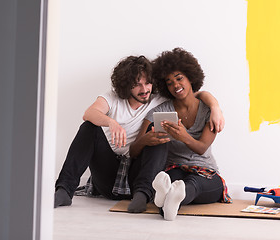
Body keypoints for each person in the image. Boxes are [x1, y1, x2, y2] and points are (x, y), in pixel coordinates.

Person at [54, 55, 225, 213]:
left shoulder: (158, 99)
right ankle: (63, 190)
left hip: (141, 174)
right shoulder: (115, 99)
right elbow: (89, 113)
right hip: (109, 171)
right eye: (137, 84)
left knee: (160, 140)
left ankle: (143, 196)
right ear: (125, 85)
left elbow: (195, 93)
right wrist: (111, 122)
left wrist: (215, 107)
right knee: (89, 127)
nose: (144, 89)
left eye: (148, 83)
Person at [130, 48, 231, 220]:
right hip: (174, 168)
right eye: (169, 82)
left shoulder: (208, 111)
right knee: (169, 182)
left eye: (179, 78)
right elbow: (133, 152)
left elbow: (201, 148)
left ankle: (168, 198)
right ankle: (168, 199)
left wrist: (183, 136)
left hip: (205, 171)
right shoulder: (160, 111)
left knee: (190, 185)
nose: (175, 85)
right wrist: (146, 140)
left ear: (190, 77)